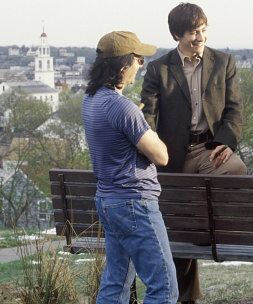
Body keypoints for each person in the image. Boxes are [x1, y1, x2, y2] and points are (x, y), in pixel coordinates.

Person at [141, 3, 247, 303]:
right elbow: (148, 114)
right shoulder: (159, 68)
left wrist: (227, 142)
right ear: (177, 34)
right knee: (178, 225)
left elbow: (235, 110)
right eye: (192, 32)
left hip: (209, 149)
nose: (199, 37)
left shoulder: (223, 62)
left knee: (235, 169)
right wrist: (152, 150)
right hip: (171, 154)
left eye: (202, 30)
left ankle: (206, 232)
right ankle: (186, 296)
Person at [82, 31, 178, 304]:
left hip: (109, 201)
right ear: (123, 64)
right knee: (165, 287)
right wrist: (140, 122)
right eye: (138, 59)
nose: (141, 65)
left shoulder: (90, 100)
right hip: (135, 203)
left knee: (116, 283)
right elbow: (161, 156)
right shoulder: (124, 109)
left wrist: (132, 120)